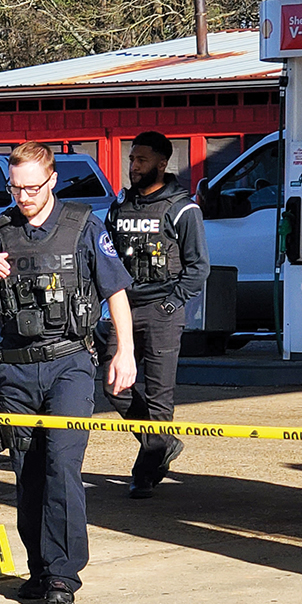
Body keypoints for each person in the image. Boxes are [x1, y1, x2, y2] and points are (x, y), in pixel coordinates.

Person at [0, 141, 137, 604]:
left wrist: (125, 352)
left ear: (52, 180)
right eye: (16, 188)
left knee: (62, 468)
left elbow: (115, 289)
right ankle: (40, 569)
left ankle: (63, 574)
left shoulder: (83, 226)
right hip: (16, 370)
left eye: (32, 187)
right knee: (30, 473)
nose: (23, 196)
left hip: (70, 364)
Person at [104, 131, 208, 498]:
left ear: (162, 164)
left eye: (142, 160)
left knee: (161, 395)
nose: (133, 167)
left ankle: (146, 471)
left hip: (163, 310)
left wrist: (172, 303)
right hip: (124, 308)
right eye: (132, 159)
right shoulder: (120, 205)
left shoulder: (182, 208)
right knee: (115, 385)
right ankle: (163, 443)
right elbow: (107, 257)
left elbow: (199, 268)